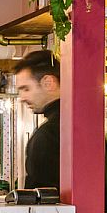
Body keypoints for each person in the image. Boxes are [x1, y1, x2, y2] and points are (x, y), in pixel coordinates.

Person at [13, 50, 61, 190]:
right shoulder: (86, 124)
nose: (22, 98)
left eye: (26, 89)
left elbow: (41, 203)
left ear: (48, 83)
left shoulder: (48, 135)